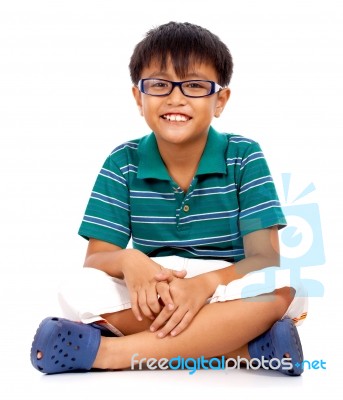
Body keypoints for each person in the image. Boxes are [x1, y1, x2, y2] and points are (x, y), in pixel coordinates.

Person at [30, 21, 307, 376]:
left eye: (193, 85)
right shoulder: (122, 162)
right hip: (154, 287)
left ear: (219, 100)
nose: (175, 98)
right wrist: (130, 261)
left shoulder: (244, 156)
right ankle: (244, 347)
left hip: (223, 286)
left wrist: (204, 285)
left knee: (284, 286)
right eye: (160, 85)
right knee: (75, 290)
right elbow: (98, 259)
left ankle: (109, 354)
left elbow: (264, 258)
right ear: (138, 97)